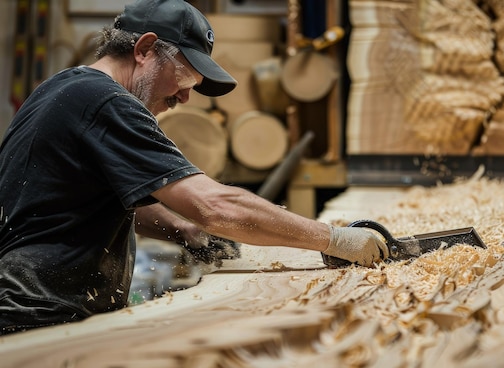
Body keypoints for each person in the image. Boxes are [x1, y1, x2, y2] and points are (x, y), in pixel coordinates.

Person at [0, 0, 388, 335]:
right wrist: (334, 239)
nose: (185, 96)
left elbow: (93, 197)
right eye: (185, 76)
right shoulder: (107, 103)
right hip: (40, 315)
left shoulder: (64, 88)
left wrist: (186, 231)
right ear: (145, 49)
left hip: (35, 304)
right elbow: (215, 206)